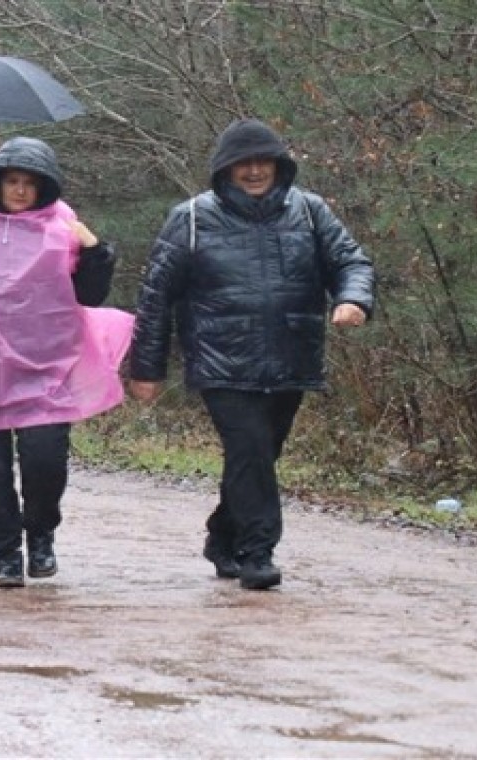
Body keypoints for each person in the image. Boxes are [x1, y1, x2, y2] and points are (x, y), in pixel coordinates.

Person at [128, 118, 375, 590]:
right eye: (245, 163)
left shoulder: (309, 211)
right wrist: (147, 368)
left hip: (291, 355)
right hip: (222, 361)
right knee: (250, 450)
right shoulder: (193, 218)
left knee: (259, 456)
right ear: (226, 169)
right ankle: (258, 552)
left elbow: (350, 261)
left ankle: (223, 535)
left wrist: (353, 299)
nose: (255, 171)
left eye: (264, 161)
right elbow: (156, 296)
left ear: (280, 166)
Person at [0, 137, 132, 588]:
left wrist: (95, 253)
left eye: (31, 182)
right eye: (12, 180)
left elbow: (90, 295)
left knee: (45, 462)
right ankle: (5, 551)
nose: (21, 190)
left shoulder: (63, 227)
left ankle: (42, 533)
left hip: (48, 366)